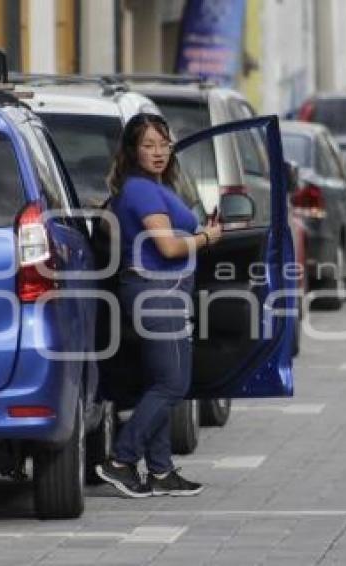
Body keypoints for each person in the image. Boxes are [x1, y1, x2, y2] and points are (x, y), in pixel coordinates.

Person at [96, 113, 222, 498]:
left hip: (162, 291)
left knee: (159, 382)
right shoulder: (141, 190)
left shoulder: (154, 187)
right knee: (173, 383)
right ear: (133, 151)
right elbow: (167, 247)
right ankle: (120, 459)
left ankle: (161, 470)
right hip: (157, 291)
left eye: (163, 144)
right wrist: (206, 237)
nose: (158, 152)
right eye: (148, 145)